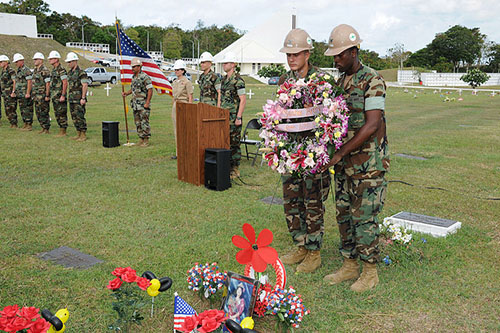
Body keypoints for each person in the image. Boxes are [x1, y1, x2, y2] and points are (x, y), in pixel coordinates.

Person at [321, 24, 389, 292]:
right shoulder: (340, 82)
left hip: (368, 165)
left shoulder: (373, 80)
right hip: (345, 165)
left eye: (339, 55)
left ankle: (370, 271)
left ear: (353, 51)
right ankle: (350, 264)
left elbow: (372, 124)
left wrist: (340, 152)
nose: (336, 60)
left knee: (365, 218)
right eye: (334, 56)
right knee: (344, 214)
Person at [277, 28, 331, 273]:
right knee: (291, 199)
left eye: (296, 54)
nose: (291, 59)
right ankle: (300, 244)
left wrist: (321, 150)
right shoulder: (284, 81)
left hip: (313, 152)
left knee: (313, 200)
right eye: (288, 54)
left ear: (308, 53)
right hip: (290, 151)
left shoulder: (322, 80)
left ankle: (314, 251)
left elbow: (333, 116)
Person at [219, 52, 246, 179]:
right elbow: (221, 97)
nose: (224, 65)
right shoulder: (223, 80)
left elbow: (243, 100)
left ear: (233, 64)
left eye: (227, 63)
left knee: (234, 143)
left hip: (234, 116)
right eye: (224, 63)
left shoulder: (238, 80)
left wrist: (239, 117)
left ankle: (235, 169)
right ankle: (225, 167)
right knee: (224, 142)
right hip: (223, 116)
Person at [122, 57, 153, 147]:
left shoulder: (145, 77)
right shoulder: (134, 77)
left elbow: (150, 90)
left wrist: (147, 102)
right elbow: (133, 89)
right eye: (132, 67)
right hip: (135, 104)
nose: (132, 69)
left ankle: (146, 139)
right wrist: (126, 93)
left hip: (143, 104)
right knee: (137, 122)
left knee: (144, 122)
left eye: (134, 67)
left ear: (139, 67)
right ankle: (141, 138)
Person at [171, 59, 193, 158]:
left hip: (184, 105)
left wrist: (190, 109)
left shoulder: (187, 82)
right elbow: (173, 96)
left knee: (184, 129)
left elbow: (190, 96)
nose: (176, 72)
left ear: (183, 70)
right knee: (176, 129)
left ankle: (186, 151)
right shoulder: (175, 82)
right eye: (175, 70)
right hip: (176, 105)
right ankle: (178, 152)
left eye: (178, 70)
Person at [65, 52, 89, 141]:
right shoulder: (70, 73)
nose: (68, 64)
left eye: (70, 62)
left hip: (79, 99)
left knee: (80, 116)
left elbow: (85, 85)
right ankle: (78, 133)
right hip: (72, 98)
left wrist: (83, 98)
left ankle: (83, 134)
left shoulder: (81, 72)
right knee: (74, 116)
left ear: (75, 61)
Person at [48, 50, 69, 137]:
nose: (49, 60)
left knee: (61, 113)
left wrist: (63, 95)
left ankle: (63, 131)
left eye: (51, 59)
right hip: (54, 96)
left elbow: (65, 82)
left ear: (56, 59)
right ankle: (61, 130)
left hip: (60, 95)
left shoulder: (61, 70)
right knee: (57, 113)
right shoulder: (53, 70)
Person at [12, 53, 33, 131]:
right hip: (20, 94)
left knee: (27, 109)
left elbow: (29, 82)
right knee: (22, 109)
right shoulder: (19, 70)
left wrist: (28, 92)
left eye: (17, 62)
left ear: (21, 61)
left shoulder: (26, 70)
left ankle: (29, 125)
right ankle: (25, 123)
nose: (16, 63)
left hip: (25, 93)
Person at [32, 52, 51, 134]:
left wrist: (47, 95)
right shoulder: (35, 70)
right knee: (38, 112)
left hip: (42, 95)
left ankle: (46, 128)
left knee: (44, 112)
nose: (34, 61)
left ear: (41, 60)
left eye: (36, 59)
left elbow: (48, 84)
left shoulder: (45, 71)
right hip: (36, 95)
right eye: (34, 59)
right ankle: (42, 127)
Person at [0, 55, 18, 128]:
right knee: (7, 109)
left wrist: (13, 91)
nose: (0, 63)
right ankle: (12, 123)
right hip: (5, 93)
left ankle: (14, 124)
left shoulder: (11, 71)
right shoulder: (3, 71)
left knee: (11, 108)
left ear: (6, 62)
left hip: (10, 93)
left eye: (1, 62)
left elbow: (15, 81)